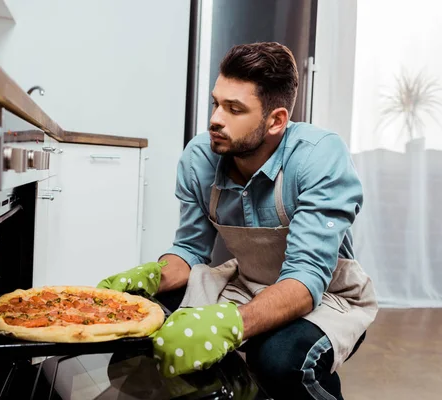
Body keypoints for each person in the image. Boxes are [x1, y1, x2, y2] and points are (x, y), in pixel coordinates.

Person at [98, 42, 378, 400]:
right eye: (216, 103)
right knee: (140, 329)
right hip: (245, 284)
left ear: (276, 120)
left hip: (326, 297)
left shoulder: (317, 157)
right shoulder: (200, 156)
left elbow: (307, 278)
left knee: (277, 360)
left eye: (234, 109)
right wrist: (154, 276)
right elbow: (189, 249)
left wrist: (230, 325)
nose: (216, 118)